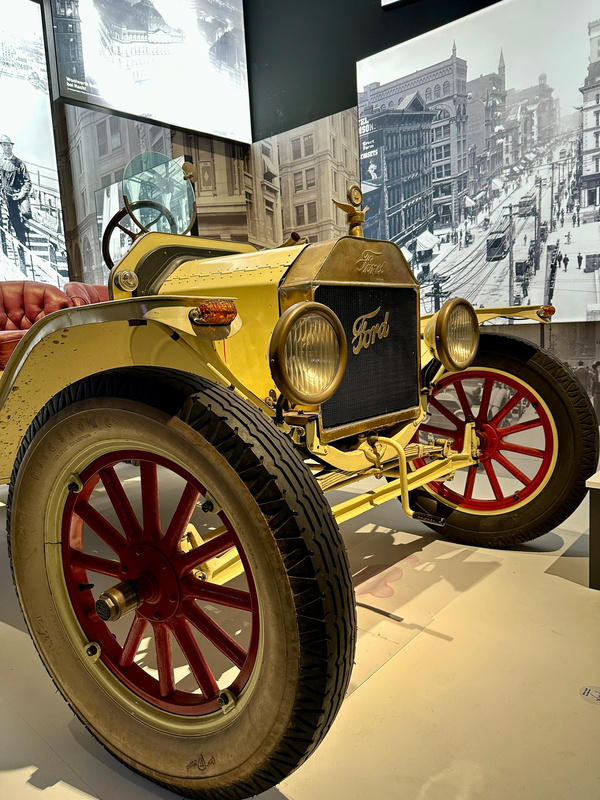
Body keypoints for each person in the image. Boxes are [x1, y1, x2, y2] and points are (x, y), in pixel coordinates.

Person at [0, 134, 31, 266]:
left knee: (18, 224)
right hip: (2, 196)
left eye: (8, 145)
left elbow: (27, 182)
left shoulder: (19, 164)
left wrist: (21, 194)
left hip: (15, 197)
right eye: (4, 145)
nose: (6, 147)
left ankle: (23, 255)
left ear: (12, 146)